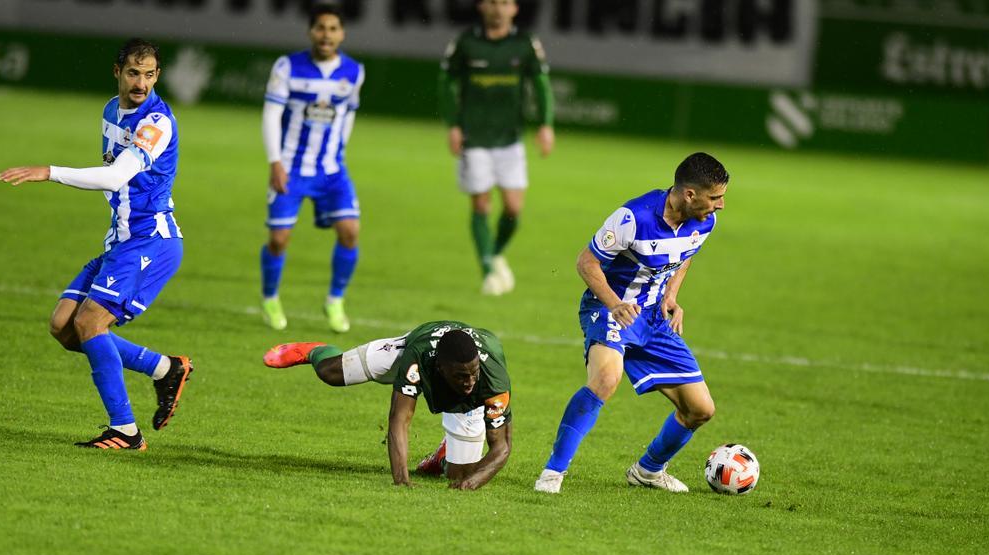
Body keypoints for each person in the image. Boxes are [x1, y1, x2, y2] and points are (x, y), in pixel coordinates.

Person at [0, 38, 193, 451]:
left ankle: (125, 430)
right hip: (122, 239)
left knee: (90, 323)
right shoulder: (110, 110)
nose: (141, 83)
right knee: (64, 328)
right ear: (117, 72)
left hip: (150, 241)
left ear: (158, 75)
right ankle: (164, 368)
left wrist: (48, 171)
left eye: (150, 74)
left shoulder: (156, 122)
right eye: (134, 73)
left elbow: (113, 178)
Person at [535, 152, 730, 493]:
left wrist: (671, 296)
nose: (721, 205)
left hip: (653, 318)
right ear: (689, 194)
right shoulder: (633, 217)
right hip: (608, 308)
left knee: (700, 409)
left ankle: (648, 471)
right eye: (715, 197)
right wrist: (616, 304)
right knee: (606, 378)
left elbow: (684, 257)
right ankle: (552, 473)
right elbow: (586, 263)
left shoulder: (705, 222)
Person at [264, 321, 512, 489]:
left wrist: (469, 484)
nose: (469, 382)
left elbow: (502, 447)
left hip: (467, 402)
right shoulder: (419, 357)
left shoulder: (493, 379)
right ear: (440, 368)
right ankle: (314, 351)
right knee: (331, 373)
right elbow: (399, 419)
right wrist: (401, 482)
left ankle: (443, 457)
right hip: (410, 348)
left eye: (473, 374)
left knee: (463, 475)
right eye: (461, 376)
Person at [259, 4, 365, 333]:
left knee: (350, 231)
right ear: (310, 32)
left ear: (342, 34)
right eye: (320, 28)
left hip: (332, 170)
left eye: (333, 29)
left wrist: (340, 151)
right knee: (279, 239)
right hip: (290, 167)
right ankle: (270, 297)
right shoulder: (287, 66)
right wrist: (275, 161)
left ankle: (335, 300)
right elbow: (271, 115)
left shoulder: (354, 71)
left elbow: (348, 115)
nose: (326, 35)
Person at [439, 0, 554, 296]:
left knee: (514, 208)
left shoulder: (524, 43)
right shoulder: (466, 42)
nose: (498, 8)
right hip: (473, 137)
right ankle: (489, 270)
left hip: (510, 138)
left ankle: (495, 252)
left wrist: (545, 124)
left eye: (504, 3)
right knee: (481, 204)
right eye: (492, 2)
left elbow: (541, 83)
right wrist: (453, 124)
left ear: (514, 9)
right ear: (482, 7)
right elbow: (447, 82)